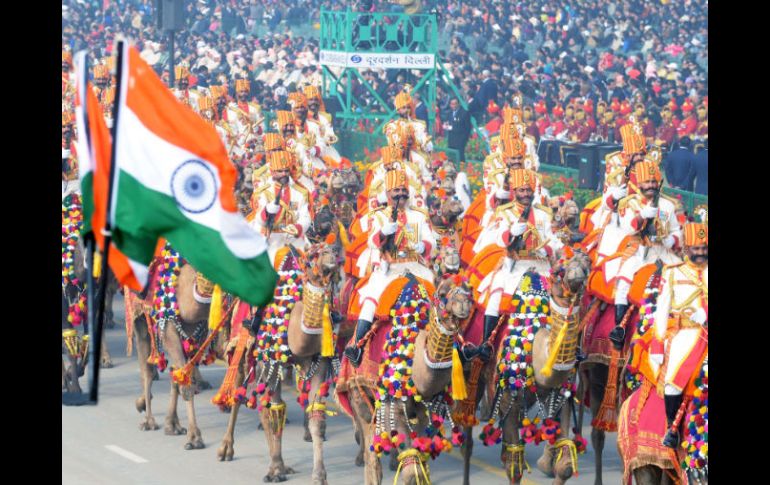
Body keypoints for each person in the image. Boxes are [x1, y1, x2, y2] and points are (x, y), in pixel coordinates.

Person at [345, 169, 435, 367]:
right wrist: (384, 232)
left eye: (403, 191)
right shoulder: (378, 216)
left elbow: (430, 240)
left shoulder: (419, 216)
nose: (400, 195)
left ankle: (451, 346)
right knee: (370, 299)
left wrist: (424, 246)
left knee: (437, 301)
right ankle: (357, 346)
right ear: (387, 194)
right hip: (389, 269)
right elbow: (371, 242)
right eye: (396, 191)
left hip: (415, 267)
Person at [648, 220, 708, 449]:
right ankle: (672, 429)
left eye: (704, 248)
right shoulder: (672, 273)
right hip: (685, 334)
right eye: (696, 249)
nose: (701, 253)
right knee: (673, 383)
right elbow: (661, 311)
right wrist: (657, 346)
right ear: (686, 249)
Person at [249, 150, 311, 262]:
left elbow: (305, 217)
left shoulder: (300, 192)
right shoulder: (263, 192)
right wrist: (267, 210)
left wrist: (298, 228)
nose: (284, 174)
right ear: (272, 172)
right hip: (270, 238)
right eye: (280, 171)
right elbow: (259, 219)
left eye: (286, 170)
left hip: (294, 240)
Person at [444, 98, 471, 162]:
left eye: (455, 104)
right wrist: (446, 126)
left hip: (460, 140)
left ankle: (462, 169)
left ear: (458, 104)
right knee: (451, 158)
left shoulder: (464, 113)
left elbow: (468, 128)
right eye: (452, 104)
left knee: (460, 157)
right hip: (451, 139)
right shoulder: (449, 113)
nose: (454, 106)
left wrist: (465, 140)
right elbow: (447, 123)